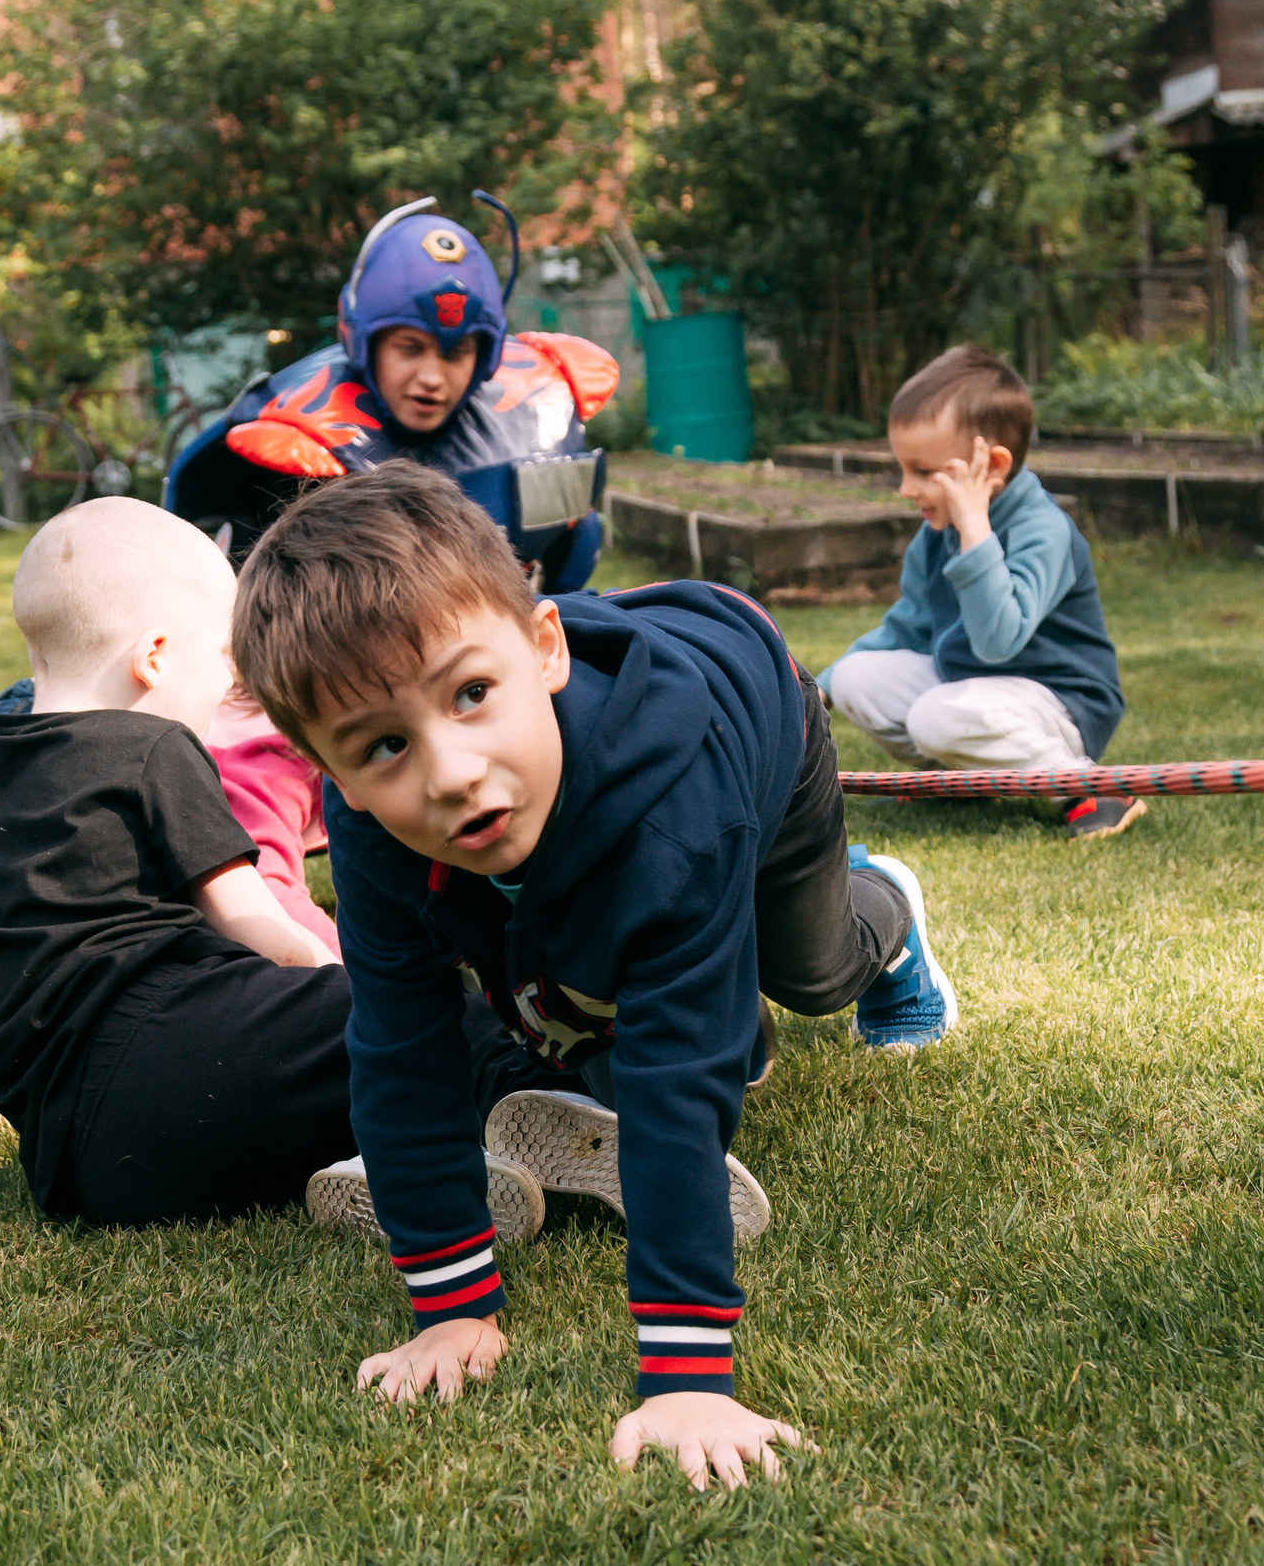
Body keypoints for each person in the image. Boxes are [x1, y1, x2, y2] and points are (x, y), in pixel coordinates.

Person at [227, 461, 962, 1491]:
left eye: (472, 695)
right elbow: (400, 1046)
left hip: (757, 722)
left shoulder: (675, 817)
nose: (450, 771)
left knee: (807, 971)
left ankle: (883, 909)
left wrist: (687, 1378)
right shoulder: (373, 827)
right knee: (583, 998)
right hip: (603, 808)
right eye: (385, 745)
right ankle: (706, 972)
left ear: (544, 648)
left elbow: (676, 1086)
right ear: (332, 779)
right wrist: (450, 1309)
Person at [0, 497, 360, 1223]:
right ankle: (523, 1093)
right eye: (224, 660)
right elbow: (256, 924)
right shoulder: (153, 747)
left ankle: (363, 1160)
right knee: (415, 1027)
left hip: (87, 1175)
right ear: (154, 658)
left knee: (290, 1102)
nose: (228, 685)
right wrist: (347, 996)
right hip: (170, 1057)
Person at [162, 194, 620, 592]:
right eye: (409, 348)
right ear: (366, 343)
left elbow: (568, 555)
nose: (432, 377)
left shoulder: (537, 407)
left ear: (485, 356)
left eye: (456, 351)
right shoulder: (299, 437)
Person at [817, 346, 1142, 837]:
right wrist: (820, 687)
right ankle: (961, 779)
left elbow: (997, 641)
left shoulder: (1042, 529)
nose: (905, 488)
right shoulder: (936, 533)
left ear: (991, 466)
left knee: (935, 717)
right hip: (973, 689)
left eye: (924, 472)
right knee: (855, 679)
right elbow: (908, 626)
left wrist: (975, 532)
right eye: (904, 470)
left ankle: (1088, 786)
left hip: (1057, 702)